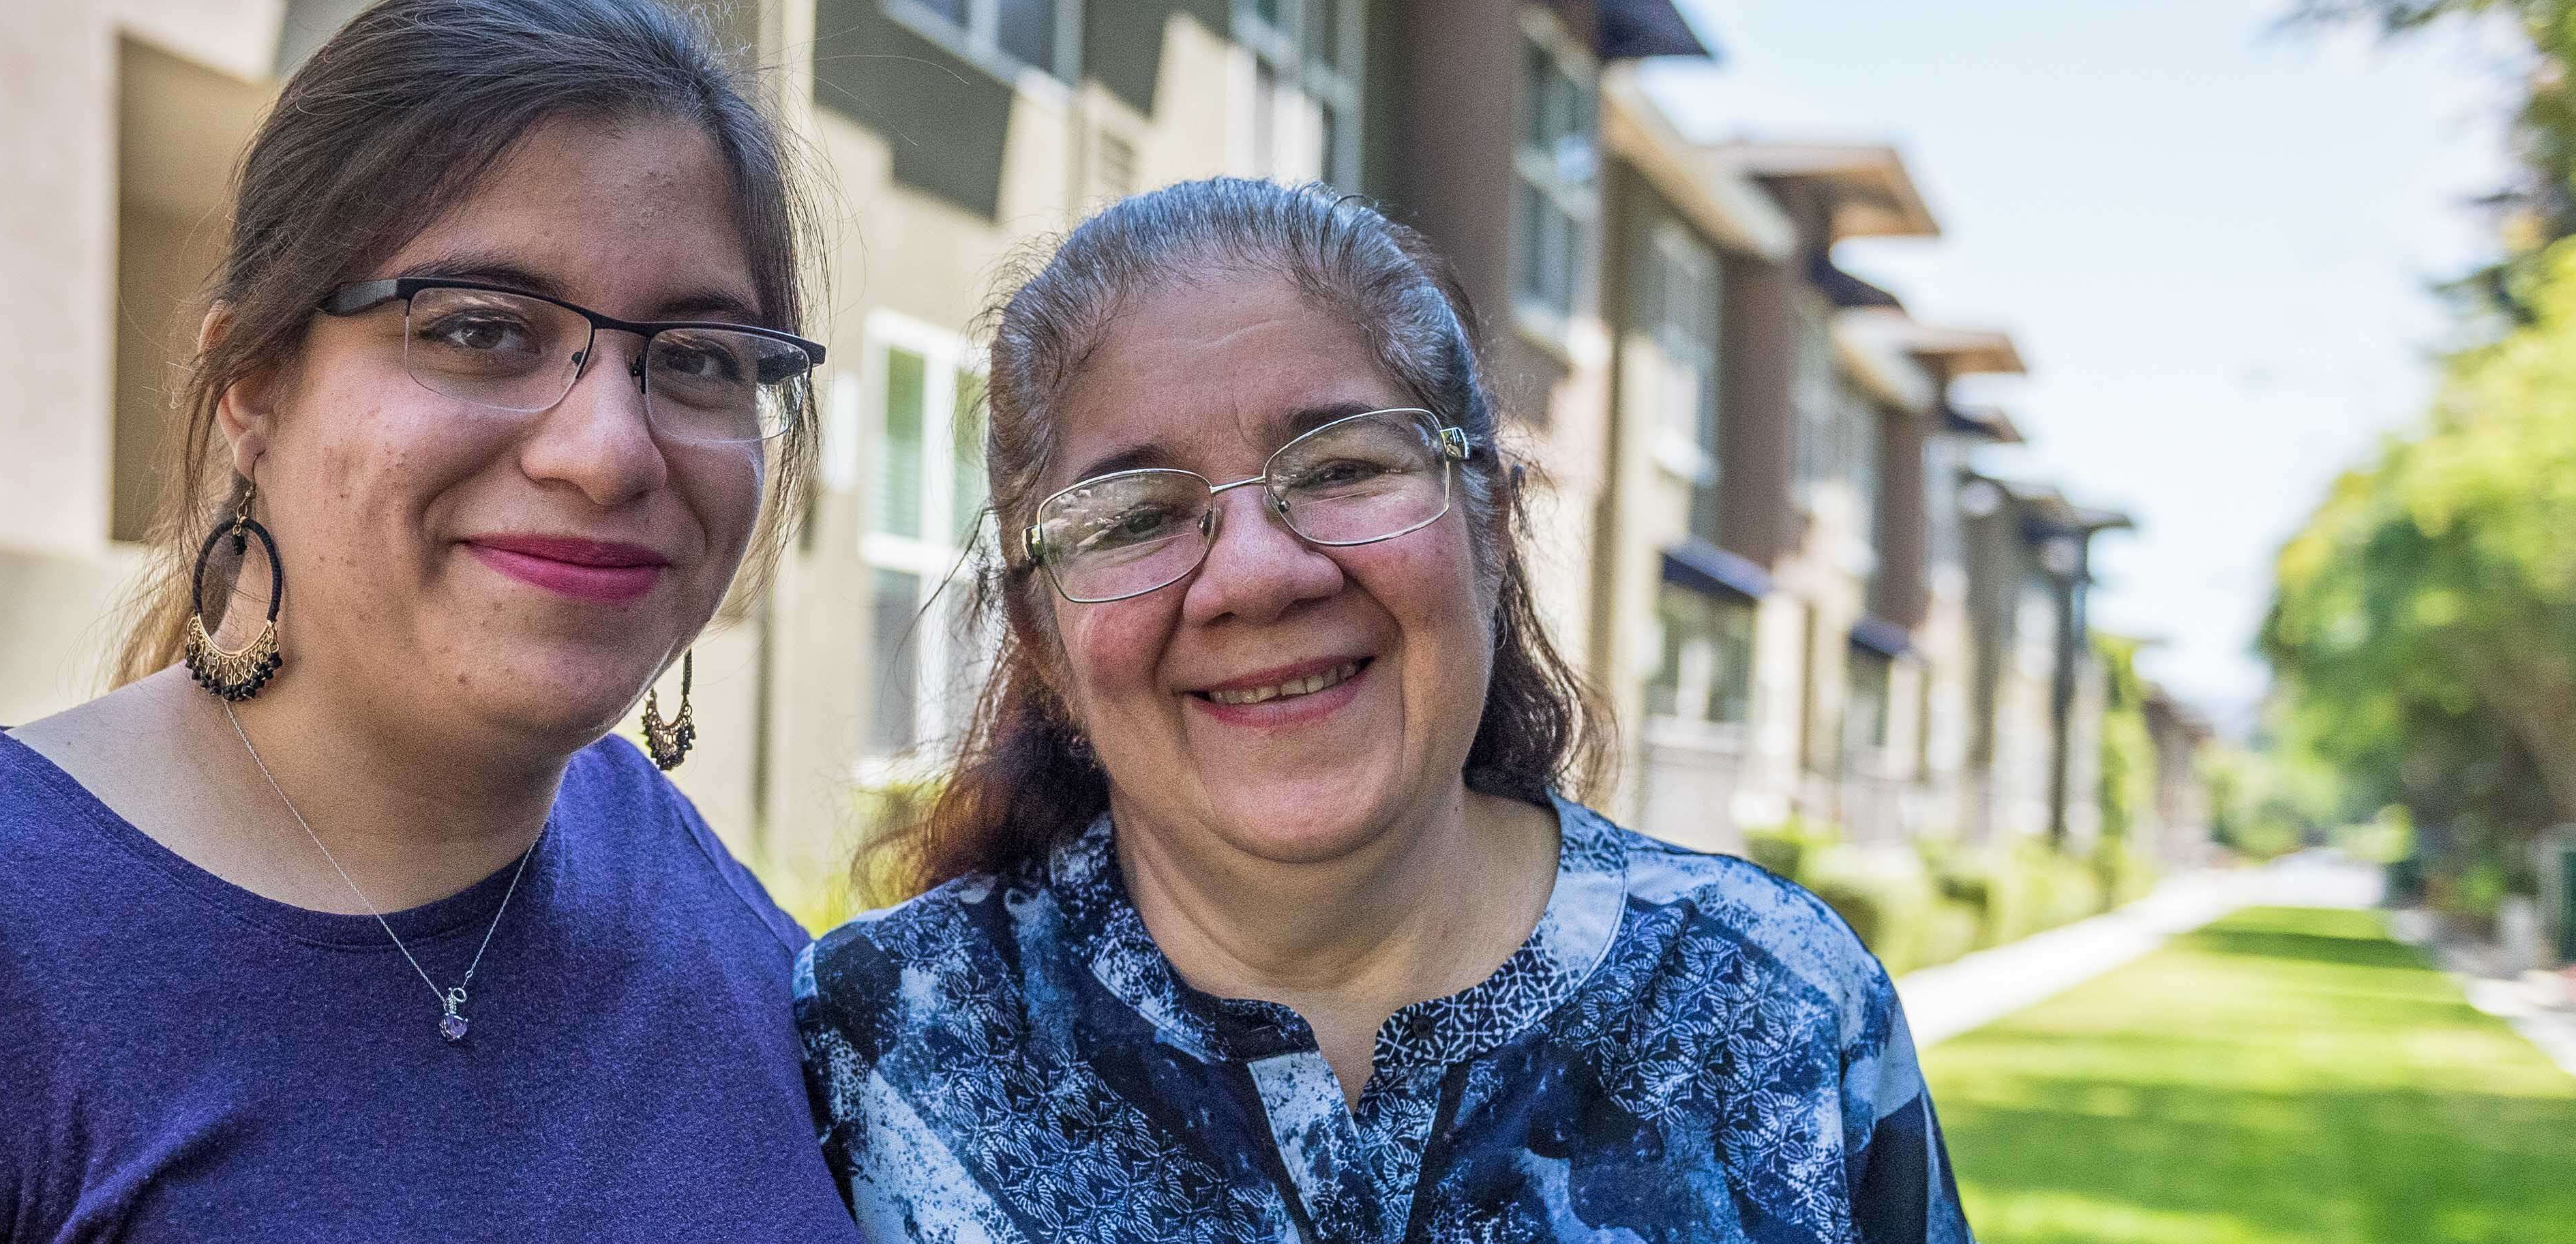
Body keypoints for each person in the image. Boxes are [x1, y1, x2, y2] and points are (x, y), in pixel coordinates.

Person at [0, 0, 863, 1242]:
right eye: (476, 326)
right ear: (253, 386)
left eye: (697, 358)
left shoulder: (687, 893)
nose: (608, 450)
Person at [795, 178, 1966, 1244]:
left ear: (1490, 529)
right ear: (1043, 634)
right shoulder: (874, 1048)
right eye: (1136, 514)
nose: (1256, 574)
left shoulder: (1779, 1009)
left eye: (1344, 466)